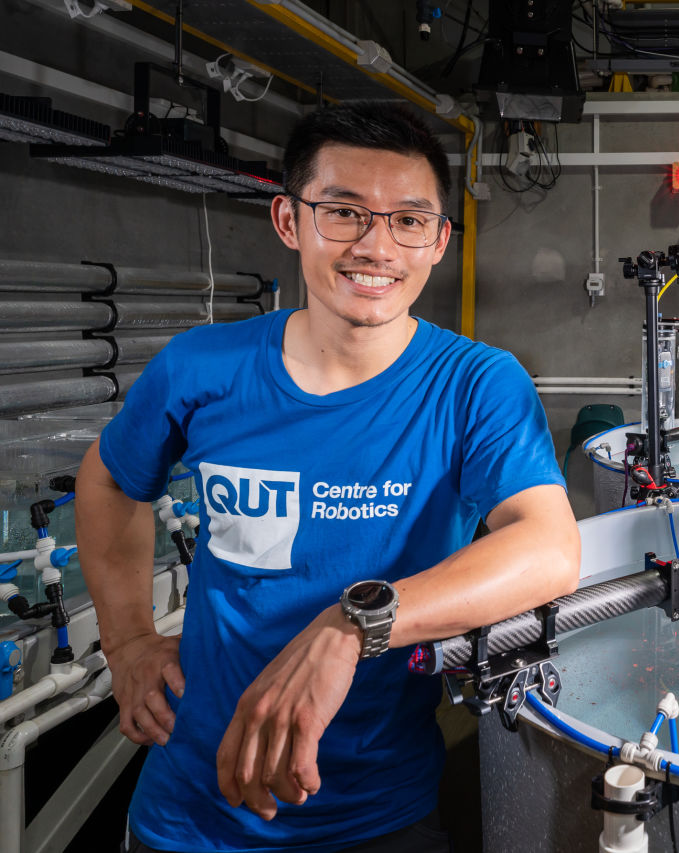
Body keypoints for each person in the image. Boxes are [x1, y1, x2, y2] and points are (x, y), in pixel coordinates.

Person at [76, 102, 580, 853]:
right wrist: (126, 642)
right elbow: (112, 480)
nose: (376, 247)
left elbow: (547, 547)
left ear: (439, 240)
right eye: (343, 212)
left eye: (409, 220)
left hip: (377, 811)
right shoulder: (201, 367)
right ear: (290, 219)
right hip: (191, 812)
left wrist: (353, 624)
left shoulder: (475, 384)